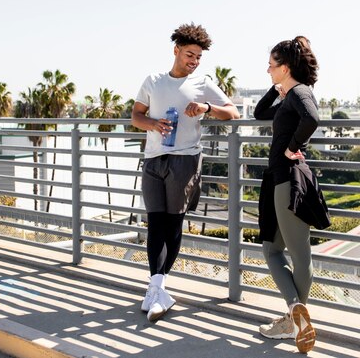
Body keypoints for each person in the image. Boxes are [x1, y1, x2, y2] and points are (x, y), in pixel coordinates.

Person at [131, 23, 239, 322]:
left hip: (185, 162)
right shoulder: (153, 81)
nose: (194, 61)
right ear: (176, 50)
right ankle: (157, 290)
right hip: (154, 159)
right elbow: (135, 117)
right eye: (189, 54)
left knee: (173, 224)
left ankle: (156, 290)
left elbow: (233, 112)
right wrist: (153, 125)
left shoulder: (202, 82)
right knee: (155, 223)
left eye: (198, 57)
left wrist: (206, 107)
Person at [253, 36, 320, 353]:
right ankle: (296, 313)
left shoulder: (302, 92)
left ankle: (294, 317)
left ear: (286, 67)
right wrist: (276, 89)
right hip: (278, 181)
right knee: (272, 250)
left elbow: (313, 118)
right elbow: (259, 112)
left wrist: (293, 147)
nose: (267, 69)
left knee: (297, 253)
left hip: (289, 181)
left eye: (271, 65)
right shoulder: (290, 95)